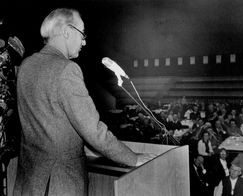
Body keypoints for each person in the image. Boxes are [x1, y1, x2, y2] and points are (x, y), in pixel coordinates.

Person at [13, 8, 152, 196]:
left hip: (30, 181)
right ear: (67, 31)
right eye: (82, 34)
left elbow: (47, 124)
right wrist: (132, 158)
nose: (84, 42)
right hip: (59, 184)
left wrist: (84, 146)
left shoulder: (26, 66)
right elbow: (93, 130)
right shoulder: (67, 70)